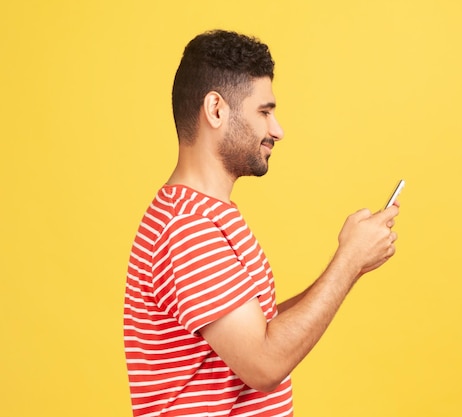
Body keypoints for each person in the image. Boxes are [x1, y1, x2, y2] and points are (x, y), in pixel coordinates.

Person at [123, 29, 400, 417]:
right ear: (216, 110)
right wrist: (348, 261)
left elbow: (258, 331)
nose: (277, 130)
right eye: (264, 111)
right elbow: (264, 364)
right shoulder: (188, 227)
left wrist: (354, 263)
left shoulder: (205, 215)